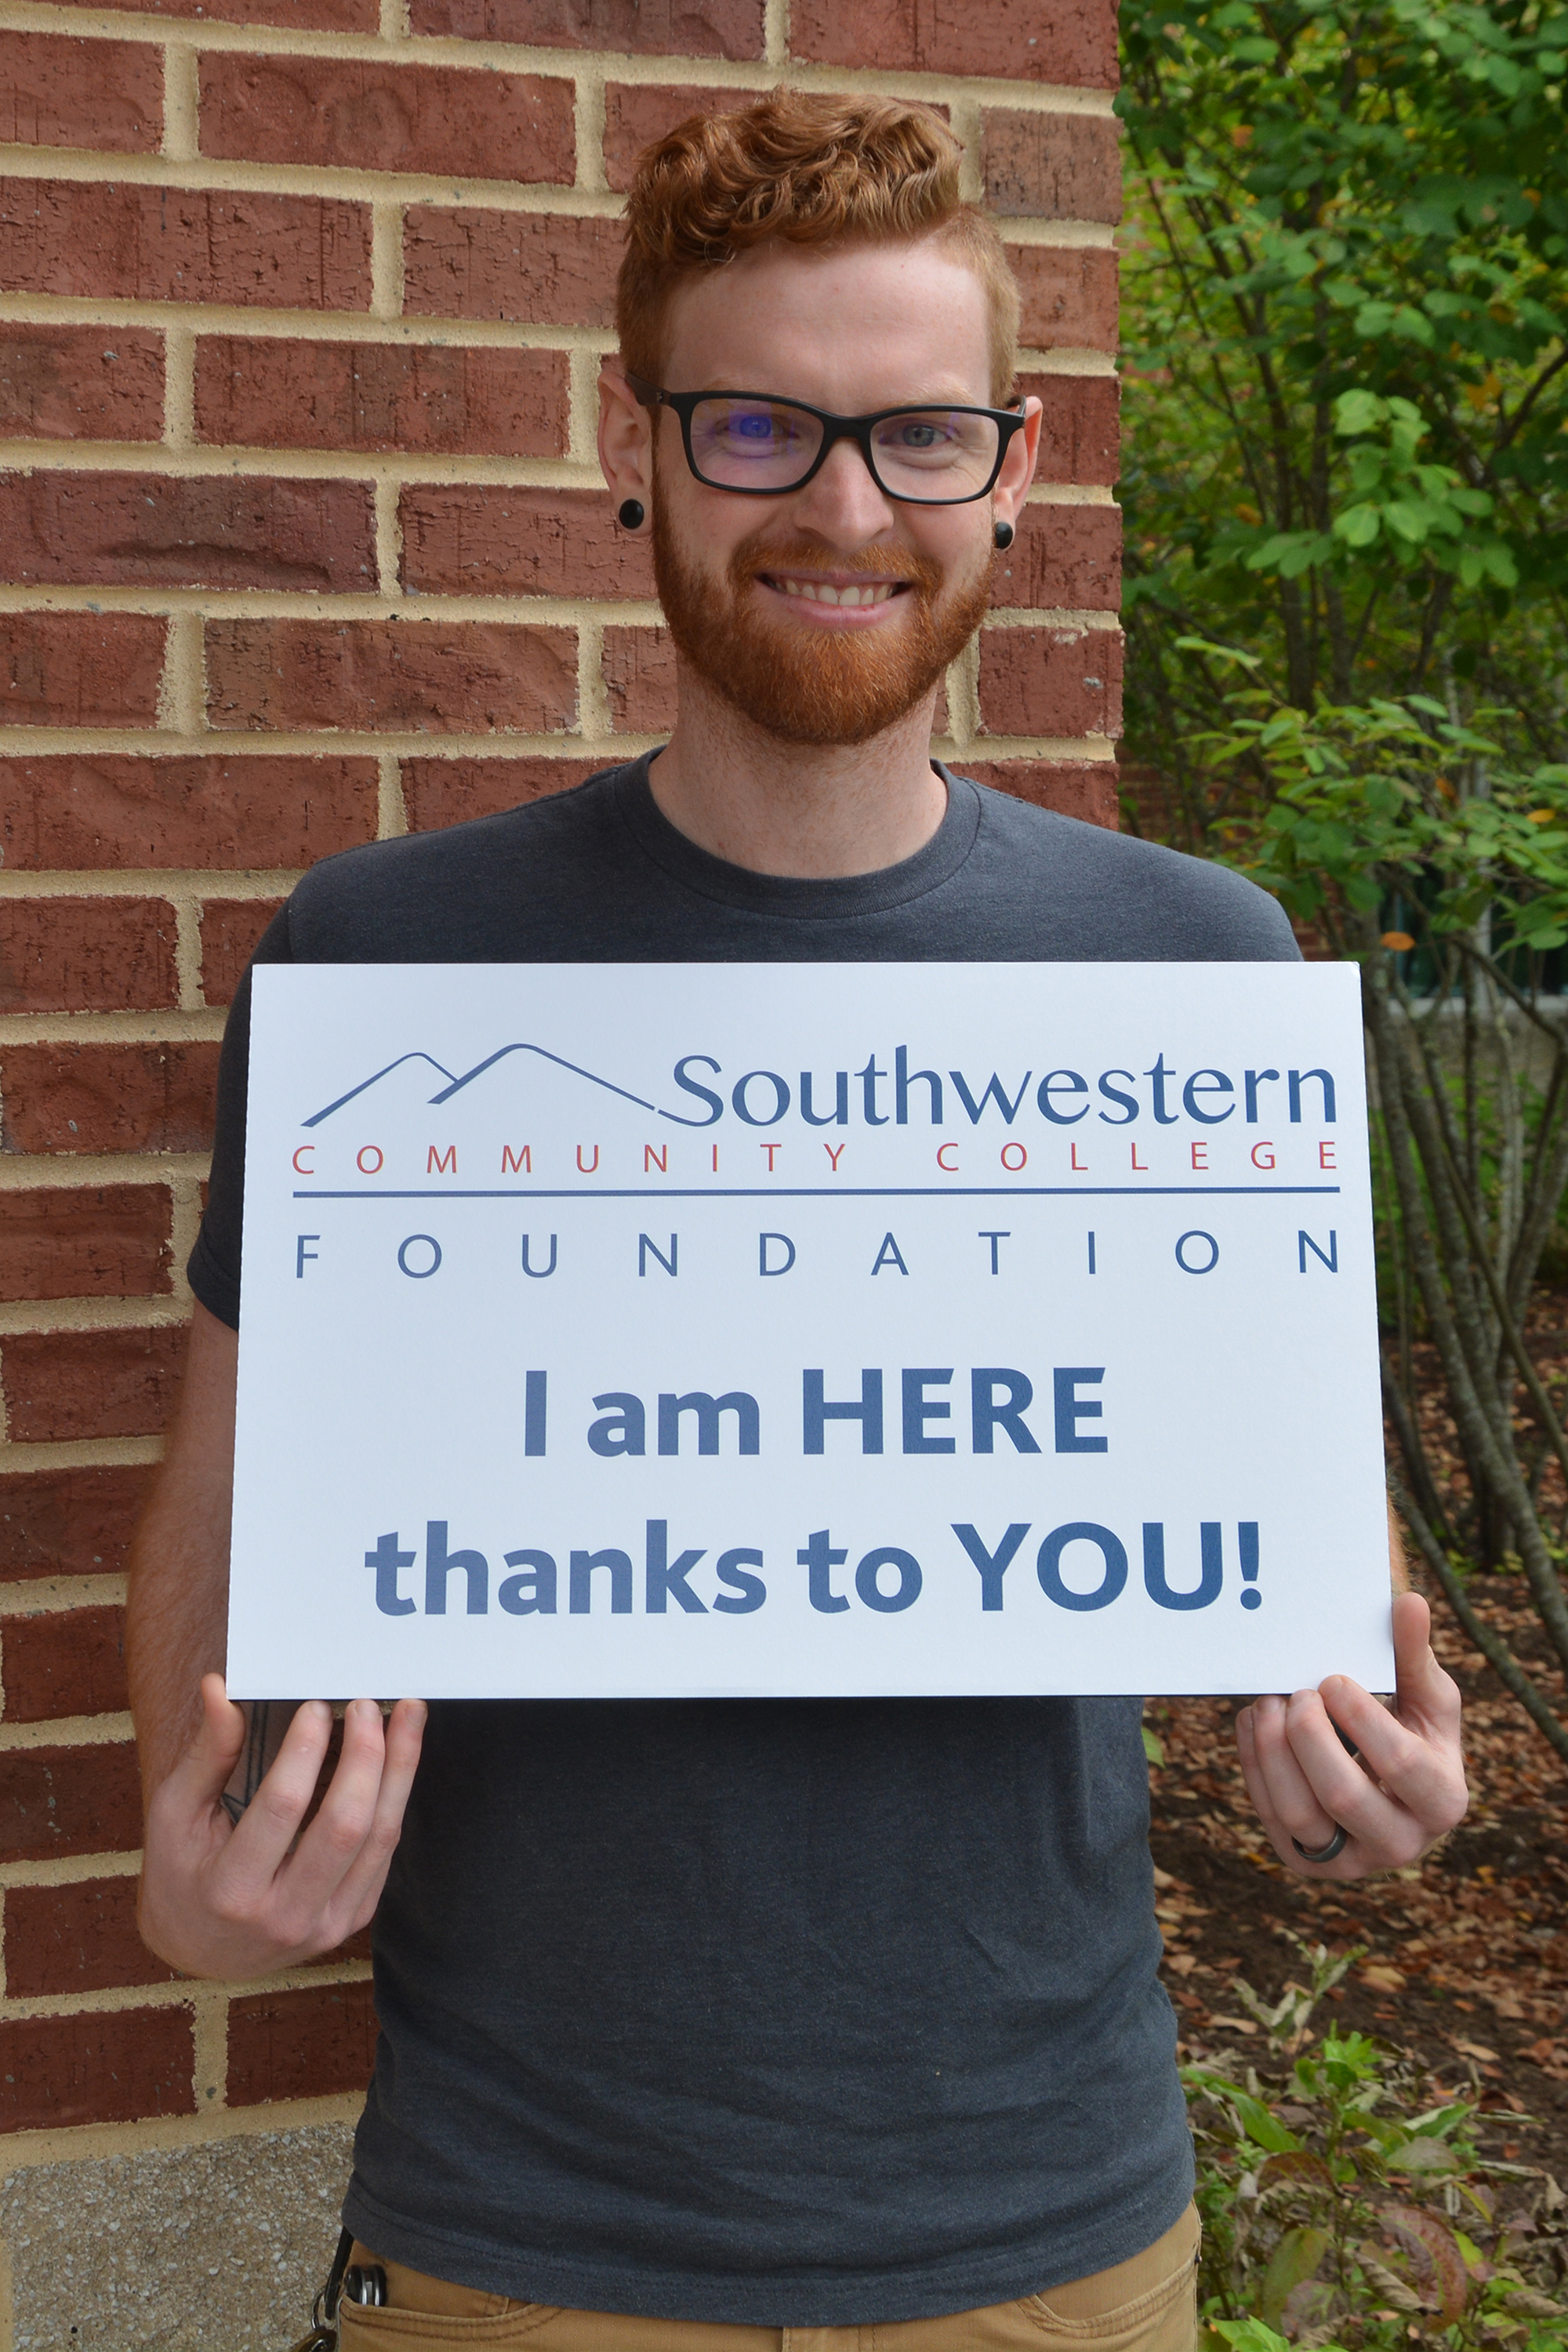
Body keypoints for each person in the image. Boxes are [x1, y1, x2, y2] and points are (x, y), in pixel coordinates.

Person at [127, 93, 1468, 2352]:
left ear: (1018, 469)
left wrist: (1364, 1772)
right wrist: (188, 1848)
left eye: (921, 434)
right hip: (511, 2244)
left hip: (1057, 2244)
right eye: (758, 425)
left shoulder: (1195, 971)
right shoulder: (383, 962)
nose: (845, 507)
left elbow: (1274, 1538)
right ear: (636, 449)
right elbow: (229, 1495)